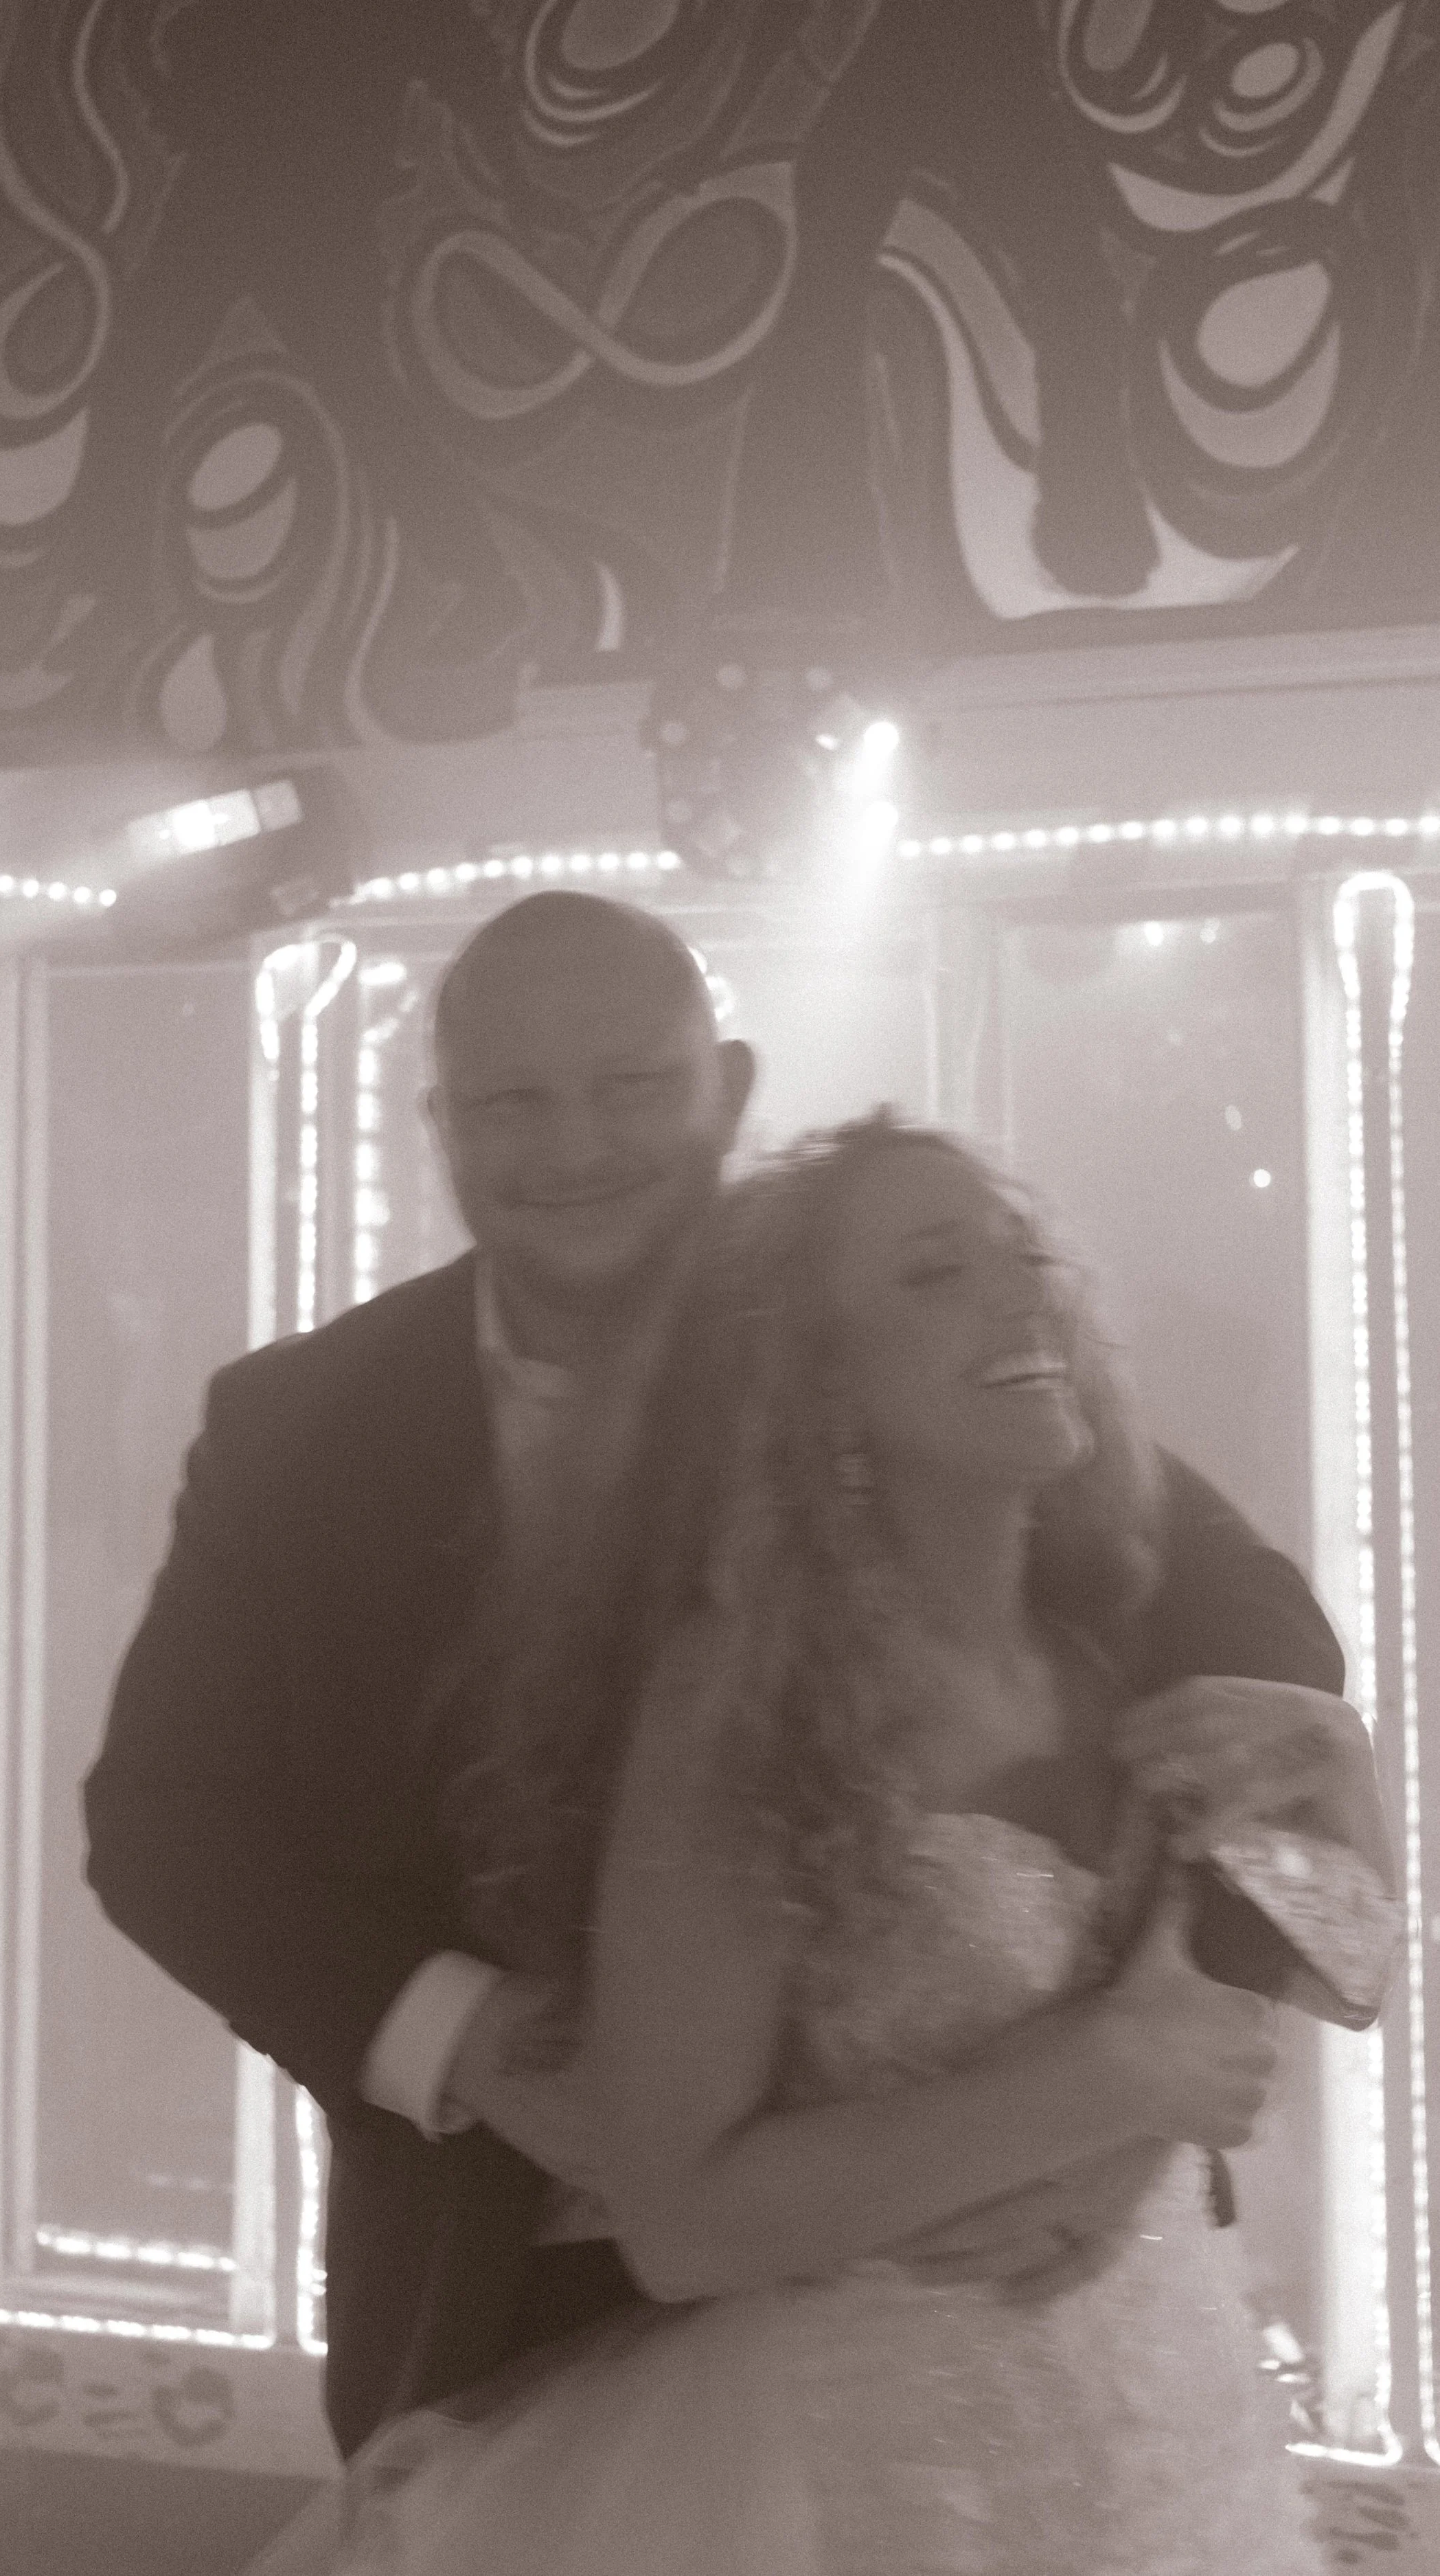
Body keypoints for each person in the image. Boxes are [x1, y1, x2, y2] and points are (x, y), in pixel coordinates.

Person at [82, 891, 1358, 2466]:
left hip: (998, 2268)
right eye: (510, 1103)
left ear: (731, 1088)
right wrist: (475, 2044)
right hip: (506, 2292)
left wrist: (1146, 2069)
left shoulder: (879, 1319)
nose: (573, 1149)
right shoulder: (297, 1428)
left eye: (630, 1086)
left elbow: (1249, 1633)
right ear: (437, 1122)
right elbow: (161, 1825)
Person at [254, 1114, 1390, 2574]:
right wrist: (1099, 2081)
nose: (1022, 1292)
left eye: (1027, 1255)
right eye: (934, 1273)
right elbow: (680, 2222)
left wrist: (1336, 1760)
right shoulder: (747, 1712)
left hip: (1176, 2432)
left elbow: (1339, 1979)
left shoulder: (1107, 1650)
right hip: (892, 2487)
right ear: (820, 1391)